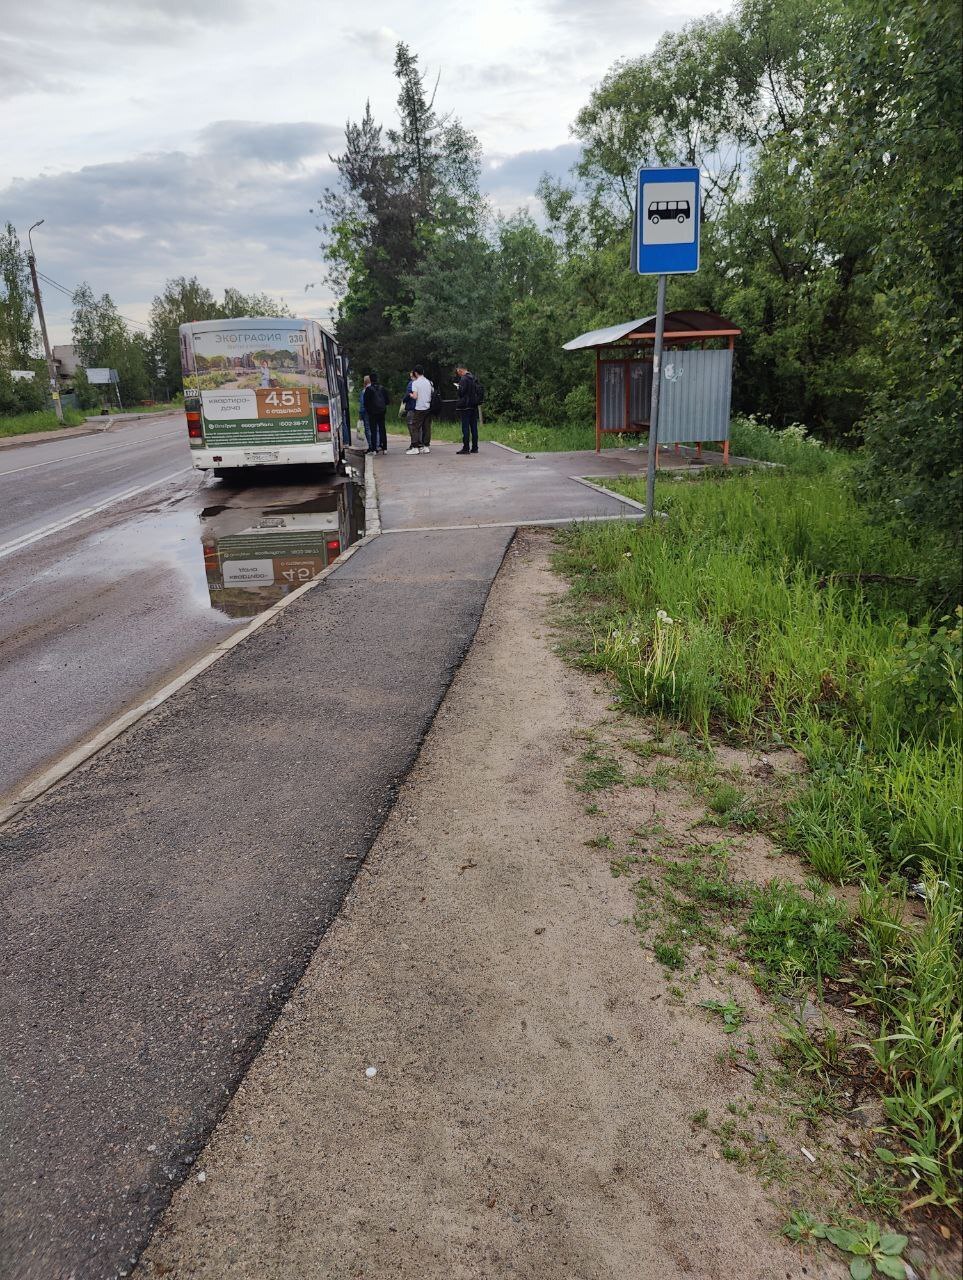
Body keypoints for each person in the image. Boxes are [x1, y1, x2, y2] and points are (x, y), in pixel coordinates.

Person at [454, 363, 480, 454]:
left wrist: (458, 388)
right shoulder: (474, 378)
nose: (458, 374)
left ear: (461, 370)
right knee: (474, 428)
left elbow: (461, 393)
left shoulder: (464, 379)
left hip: (465, 406)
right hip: (474, 405)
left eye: (458, 372)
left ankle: (466, 448)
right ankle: (475, 447)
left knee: (465, 427)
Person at [408, 365, 433, 456]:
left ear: (415, 373)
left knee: (415, 427)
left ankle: (415, 447)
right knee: (427, 427)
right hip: (428, 406)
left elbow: (415, 396)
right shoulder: (428, 382)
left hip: (419, 408)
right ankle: (426, 446)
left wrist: (410, 395)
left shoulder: (415, 383)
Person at [362, 373, 389, 454]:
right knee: (382, 429)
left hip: (372, 413)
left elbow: (365, 403)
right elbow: (387, 401)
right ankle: (385, 448)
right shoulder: (382, 388)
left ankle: (374, 449)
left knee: (373, 430)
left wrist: (369, 410)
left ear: (370, 379)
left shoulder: (368, 389)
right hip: (382, 412)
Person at [359, 374, 373, 453]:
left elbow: (362, 403)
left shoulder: (364, 391)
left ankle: (371, 446)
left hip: (366, 412)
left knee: (367, 429)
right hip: (375, 412)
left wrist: (360, 414)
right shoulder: (375, 388)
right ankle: (377, 445)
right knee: (375, 428)